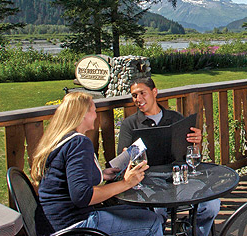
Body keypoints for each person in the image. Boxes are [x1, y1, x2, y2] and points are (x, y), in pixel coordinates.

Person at [31, 92, 163, 236]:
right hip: (73, 226)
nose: (95, 115)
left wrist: (102, 175)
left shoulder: (60, 139)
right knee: (152, 221)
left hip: (52, 222)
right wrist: (126, 183)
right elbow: (83, 196)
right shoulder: (79, 143)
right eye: (94, 110)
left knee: (143, 212)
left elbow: (68, 178)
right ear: (82, 115)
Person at [117, 77, 219, 236]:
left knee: (211, 205)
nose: (138, 99)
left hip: (180, 177)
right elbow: (122, 160)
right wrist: (128, 154)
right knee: (156, 212)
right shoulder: (130, 125)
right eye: (134, 95)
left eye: (142, 93)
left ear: (154, 92)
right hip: (149, 181)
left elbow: (191, 152)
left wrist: (196, 142)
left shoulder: (175, 118)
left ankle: (191, 231)